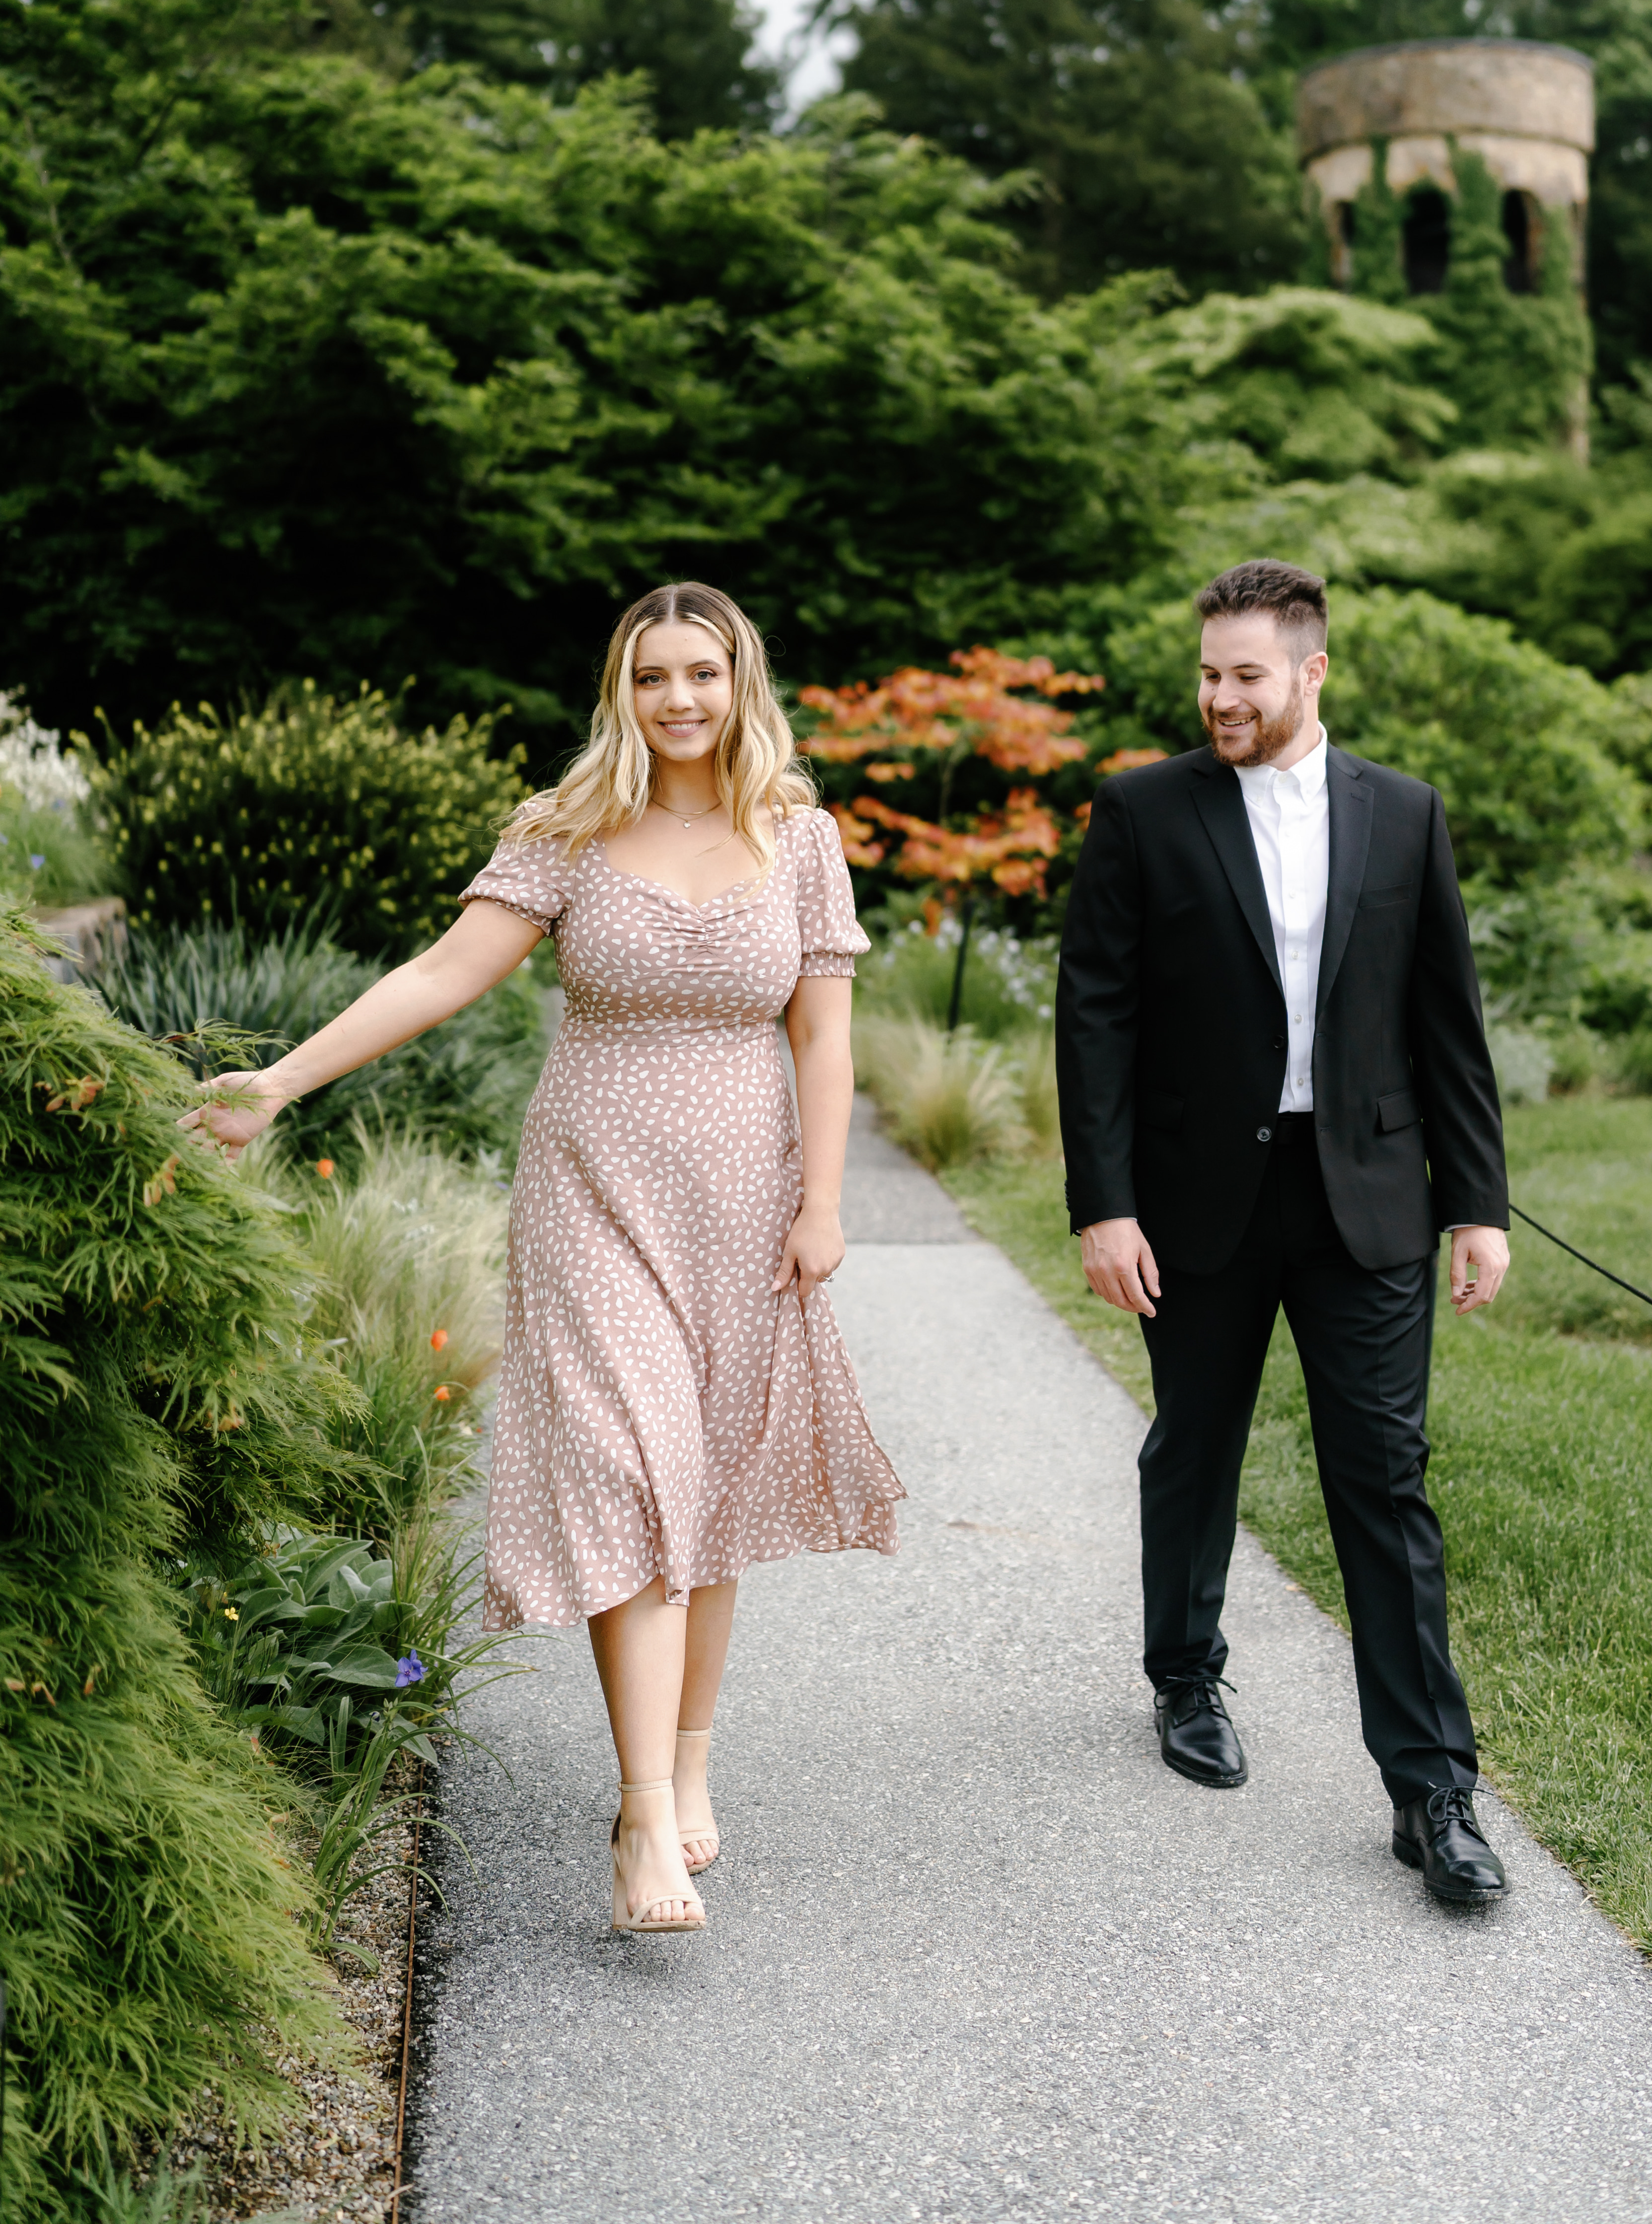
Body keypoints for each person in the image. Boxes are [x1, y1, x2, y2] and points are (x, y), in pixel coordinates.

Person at [184, 579, 903, 1937]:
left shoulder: (799, 836)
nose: (678, 700)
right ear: (618, 693)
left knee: (710, 1486)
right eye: (651, 677)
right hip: (593, 1189)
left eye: (702, 674)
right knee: (634, 1472)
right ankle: (641, 1817)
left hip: (747, 1199)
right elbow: (442, 976)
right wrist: (280, 1082)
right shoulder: (565, 830)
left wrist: (823, 1201)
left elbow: (824, 1034)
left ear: (743, 685)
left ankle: (688, 1764)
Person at [1055, 557, 1511, 1905]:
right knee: (1194, 1448)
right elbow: (1097, 1018)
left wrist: (1477, 1202)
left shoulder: (1404, 814)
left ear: (1312, 671)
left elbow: (1450, 1024)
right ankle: (1186, 1679)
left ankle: (1433, 1790)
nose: (1219, 697)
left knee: (1385, 1480)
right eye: (1208, 673)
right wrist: (1104, 1200)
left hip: (1367, 1199)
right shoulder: (1144, 812)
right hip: (1199, 1198)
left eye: (1246, 675)